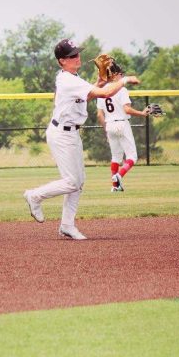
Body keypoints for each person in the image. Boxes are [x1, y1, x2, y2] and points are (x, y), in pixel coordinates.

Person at [23, 39, 140, 240]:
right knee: (72, 182)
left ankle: (67, 225)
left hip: (71, 132)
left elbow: (87, 96)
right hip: (62, 134)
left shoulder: (72, 77)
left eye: (77, 53)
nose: (77, 57)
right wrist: (125, 80)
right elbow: (105, 93)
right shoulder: (68, 80)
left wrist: (98, 84)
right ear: (62, 61)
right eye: (72, 55)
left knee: (79, 182)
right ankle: (34, 195)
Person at [96, 63, 151, 192]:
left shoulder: (101, 90)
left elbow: (99, 114)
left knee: (115, 157)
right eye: (120, 74)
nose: (122, 76)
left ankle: (114, 187)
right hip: (121, 123)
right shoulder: (122, 89)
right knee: (132, 157)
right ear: (114, 75)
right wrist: (142, 113)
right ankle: (118, 176)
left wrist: (106, 129)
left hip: (109, 125)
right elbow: (127, 109)